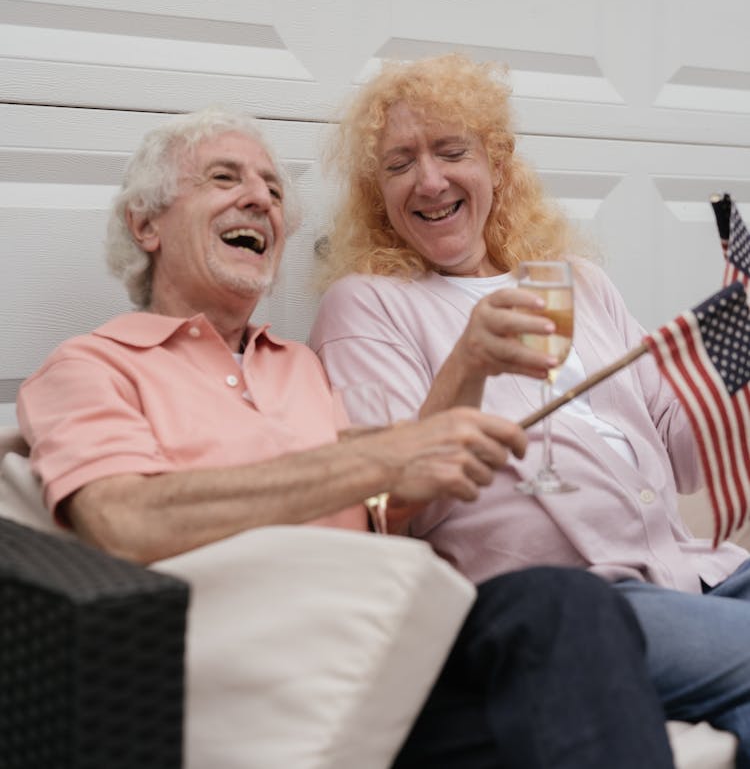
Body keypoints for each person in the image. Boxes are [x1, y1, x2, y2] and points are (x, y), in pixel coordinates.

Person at [16, 106, 674, 769]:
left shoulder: (299, 365)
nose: (260, 199)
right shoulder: (91, 366)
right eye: (225, 178)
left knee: (564, 606)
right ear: (146, 223)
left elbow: (381, 510)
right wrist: (370, 457)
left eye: (274, 190)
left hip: (403, 651)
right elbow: (123, 518)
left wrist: (410, 480)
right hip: (265, 674)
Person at [309, 53, 750, 765]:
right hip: (582, 604)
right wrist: (469, 362)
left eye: (452, 151)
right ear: (376, 190)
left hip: (697, 569)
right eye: (400, 164)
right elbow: (391, 503)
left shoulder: (580, 283)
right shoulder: (368, 304)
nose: (430, 180)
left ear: (497, 162)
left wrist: (741, 355)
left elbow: (684, 452)